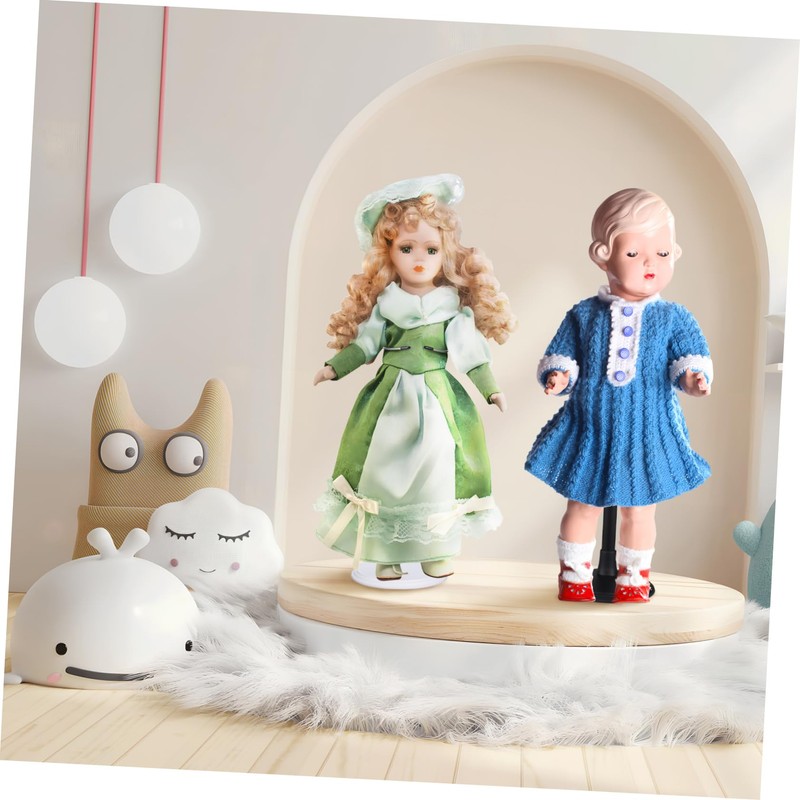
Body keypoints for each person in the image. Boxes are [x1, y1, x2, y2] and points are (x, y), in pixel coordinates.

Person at [313, 174, 515, 584]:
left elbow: (471, 355)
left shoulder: (451, 309)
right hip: (389, 400)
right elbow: (365, 345)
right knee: (383, 468)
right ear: (389, 253)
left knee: (436, 471)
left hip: (438, 399)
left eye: (430, 249)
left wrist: (491, 389)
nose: (419, 258)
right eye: (407, 248)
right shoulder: (386, 306)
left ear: (446, 253)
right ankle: (384, 553)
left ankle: (434, 549)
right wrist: (334, 368)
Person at [524, 188, 712, 602]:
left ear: (675, 254)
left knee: (640, 510)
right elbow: (563, 354)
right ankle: (574, 576)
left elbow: (689, 359)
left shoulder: (673, 317)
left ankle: (633, 580)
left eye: (662, 253)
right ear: (603, 254)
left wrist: (693, 378)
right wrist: (558, 375)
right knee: (582, 504)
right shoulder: (584, 314)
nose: (650, 263)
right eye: (633, 253)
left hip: (648, 431)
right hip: (591, 427)